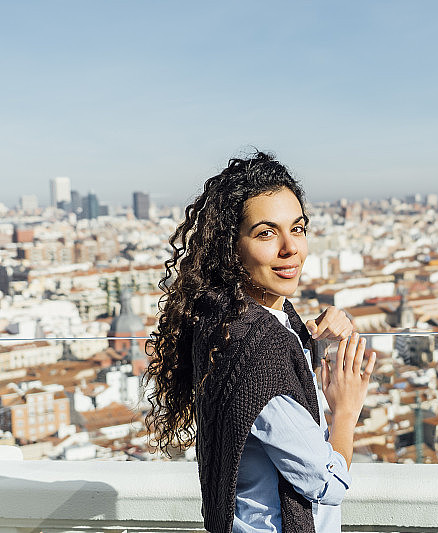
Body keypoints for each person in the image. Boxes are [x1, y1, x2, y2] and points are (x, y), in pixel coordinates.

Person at [145, 151, 375, 533]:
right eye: (266, 233)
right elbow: (325, 484)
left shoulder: (220, 320)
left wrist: (310, 343)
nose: (290, 248)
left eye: (297, 229)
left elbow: (267, 399)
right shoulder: (259, 351)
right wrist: (346, 413)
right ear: (230, 247)